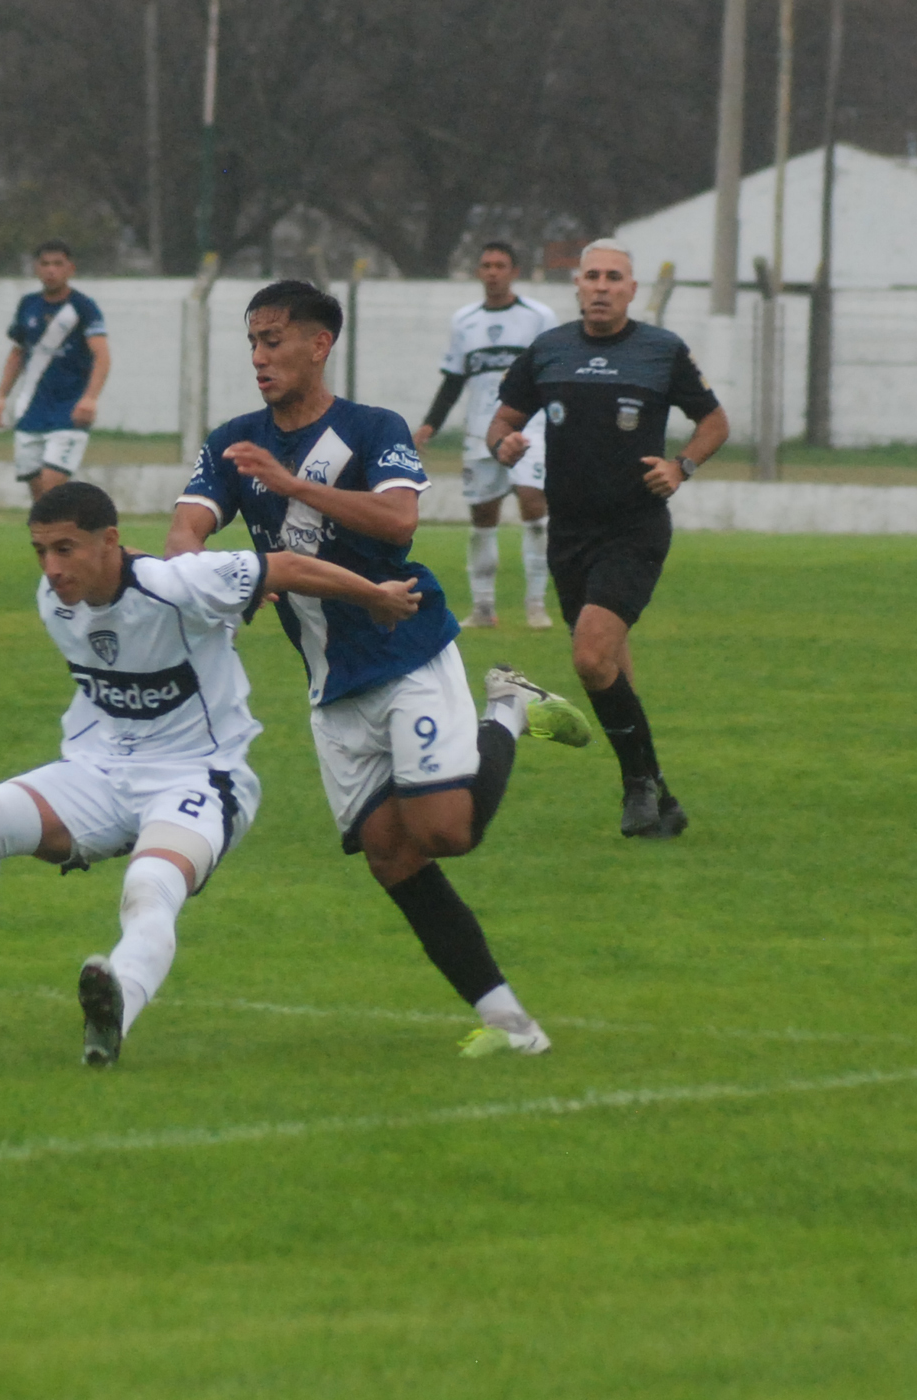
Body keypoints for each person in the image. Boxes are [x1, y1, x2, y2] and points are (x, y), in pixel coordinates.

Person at [165, 280, 591, 1058]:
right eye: (252, 342)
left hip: (404, 651)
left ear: (319, 345)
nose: (259, 357)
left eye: (274, 340)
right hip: (332, 684)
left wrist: (294, 486)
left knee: (444, 832)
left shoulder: (373, 428)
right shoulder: (235, 439)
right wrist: (202, 575)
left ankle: (510, 711)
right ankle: (512, 1026)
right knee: (392, 858)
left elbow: (399, 520)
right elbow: (186, 528)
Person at [0, 480, 420, 1066]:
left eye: (65, 549)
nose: (51, 567)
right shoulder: (54, 597)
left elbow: (284, 566)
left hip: (197, 780)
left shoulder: (177, 584)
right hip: (98, 774)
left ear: (110, 541)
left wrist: (374, 596)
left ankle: (114, 1014)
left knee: (148, 890)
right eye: (40, 551)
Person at [487, 239, 729, 840]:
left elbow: (715, 421)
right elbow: (502, 421)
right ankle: (657, 796)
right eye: (590, 276)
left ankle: (635, 787)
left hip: (634, 527)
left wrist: (681, 467)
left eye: (613, 277)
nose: (600, 286)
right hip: (568, 532)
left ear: (631, 289)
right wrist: (504, 445)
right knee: (609, 670)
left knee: (590, 657)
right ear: (577, 286)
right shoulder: (549, 350)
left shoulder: (660, 351)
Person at [412, 241, 560, 629]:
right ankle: (482, 608)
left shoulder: (539, 317)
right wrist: (431, 424)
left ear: (514, 271)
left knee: (533, 503)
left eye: (500, 265)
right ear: (479, 272)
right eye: (486, 265)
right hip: (480, 433)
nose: (493, 271)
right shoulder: (465, 320)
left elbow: (555, 373)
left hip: (531, 428)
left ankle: (535, 604)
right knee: (482, 517)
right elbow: (454, 378)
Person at [0, 240, 111, 502]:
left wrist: (90, 398)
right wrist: (1, 396)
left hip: (68, 410)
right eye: (45, 264)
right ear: (36, 268)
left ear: (71, 268)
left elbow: (102, 355)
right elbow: (18, 352)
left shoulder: (82, 307)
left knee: (53, 486)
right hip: (31, 410)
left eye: (58, 264)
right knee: (39, 497)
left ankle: (76, 537)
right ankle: (52, 542)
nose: (51, 270)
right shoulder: (28, 305)